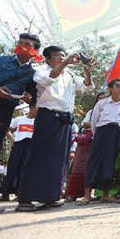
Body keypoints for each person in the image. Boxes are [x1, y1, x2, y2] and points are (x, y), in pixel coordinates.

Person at [17, 47, 94, 212]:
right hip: (48, 117)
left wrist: (88, 72)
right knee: (38, 157)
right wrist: (66, 63)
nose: (63, 58)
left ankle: (50, 197)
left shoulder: (70, 75)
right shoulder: (41, 71)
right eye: (59, 56)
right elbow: (50, 78)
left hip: (65, 119)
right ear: (48, 58)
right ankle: (25, 199)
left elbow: (87, 86)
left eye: (64, 56)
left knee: (58, 160)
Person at [0, 33, 40, 214]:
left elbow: (33, 96)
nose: (22, 46)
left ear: (35, 51)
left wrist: (28, 99)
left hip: (4, 112)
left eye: (28, 44)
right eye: (21, 43)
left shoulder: (32, 74)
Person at [79, 79, 120, 205]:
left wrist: (119, 134)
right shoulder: (102, 103)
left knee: (110, 163)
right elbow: (94, 121)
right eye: (118, 86)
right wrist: (98, 135)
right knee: (94, 162)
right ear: (111, 88)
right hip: (101, 133)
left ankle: (106, 195)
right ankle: (87, 196)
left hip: (116, 134)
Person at [65, 92, 108, 202]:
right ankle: (73, 194)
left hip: (102, 140)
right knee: (79, 167)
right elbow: (85, 124)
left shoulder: (110, 110)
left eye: (104, 99)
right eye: (100, 99)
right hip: (87, 143)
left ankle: (94, 194)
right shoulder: (91, 111)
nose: (102, 101)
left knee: (98, 167)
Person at [0, 105, 37, 201]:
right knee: (12, 167)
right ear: (31, 108)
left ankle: (20, 194)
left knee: (24, 170)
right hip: (18, 144)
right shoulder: (19, 119)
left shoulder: (38, 122)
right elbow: (9, 131)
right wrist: (13, 139)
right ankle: (5, 194)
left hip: (30, 146)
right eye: (37, 109)